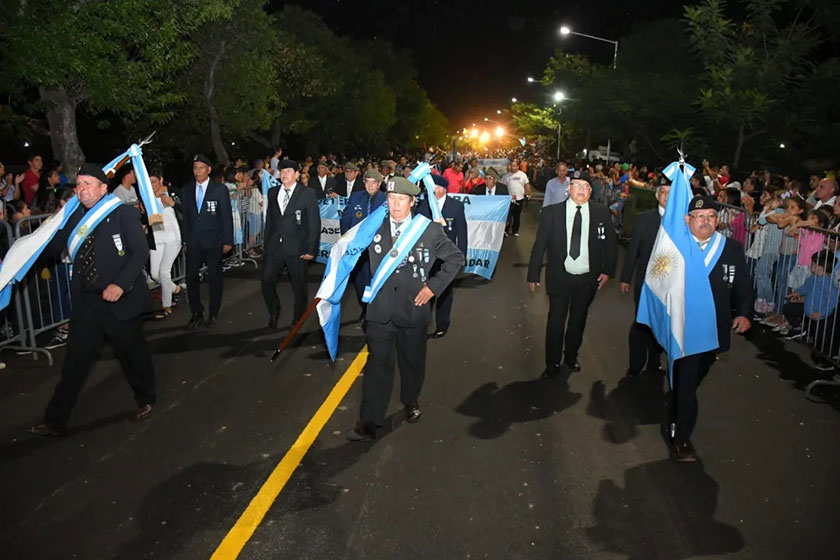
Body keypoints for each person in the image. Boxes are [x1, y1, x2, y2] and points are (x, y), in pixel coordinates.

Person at [30, 164, 156, 436]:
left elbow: (139, 254)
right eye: (78, 184)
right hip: (87, 302)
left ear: (102, 188)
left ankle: (146, 398)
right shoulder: (74, 216)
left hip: (118, 300)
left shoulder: (121, 213)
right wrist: (44, 233)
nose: (81, 189)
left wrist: (120, 285)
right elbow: (52, 248)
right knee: (75, 361)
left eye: (88, 184)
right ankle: (56, 419)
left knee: (132, 355)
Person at [347, 176, 464, 441]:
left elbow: (455, 258)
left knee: (412, 362)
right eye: (391, 199)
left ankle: (411, 400)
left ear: (412, 202)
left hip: (413, 308)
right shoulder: (373, 225)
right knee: (377, 365)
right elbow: (349, 249)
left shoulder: (429, 230)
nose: (396, 205)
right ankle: (369, 421)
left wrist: (433, 288)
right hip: (380, 311)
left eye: (401, 200)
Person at [668, 195, 752, 462]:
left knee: (692, 378)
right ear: (688, 220)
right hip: (681, 326)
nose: (706, 221)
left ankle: (678, 402)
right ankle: (682, 437)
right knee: (687, 382)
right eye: (700, 216)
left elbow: (743, 286)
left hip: (713, 329)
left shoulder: (731, 248)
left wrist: (744, 313)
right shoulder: (674, 247)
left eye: (711, 216)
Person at [527, 177, 618, 376]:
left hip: (587, 279)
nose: (582, 190)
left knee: (578, 320)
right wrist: (533, 274)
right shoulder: (552, 213)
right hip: (559, 276)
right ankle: (552, 363)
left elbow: (610, 244)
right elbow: (540, 245)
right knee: (556, 321)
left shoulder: (600, 212)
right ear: (569, 189)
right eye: (577, 185)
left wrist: (608, 270)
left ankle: (571, 356)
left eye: (587, 187)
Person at [619, 181, 670, 376]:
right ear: (657, 196)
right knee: (641, 322)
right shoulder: (644, 219)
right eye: (663, 192)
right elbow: (633, 251)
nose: (666, 196)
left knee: (661, 322)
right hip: (645, 281)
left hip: (668, 284)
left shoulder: (681, 222)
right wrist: (626, 277)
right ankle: (636, 364)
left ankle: (655, 360)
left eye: (670, 194)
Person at [262, 159, 320, 328]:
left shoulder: (307, 193)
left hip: (297, 248)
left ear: (296, 174)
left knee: (299, 285)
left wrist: (311, 249)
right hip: (275, 247)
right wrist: (267, 245)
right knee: (266, 281)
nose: (285, 174)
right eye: (282, 171)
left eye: (289, 171)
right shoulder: (273, 193)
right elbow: (270, 221)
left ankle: (298, 317)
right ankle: (274, 311)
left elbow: (313, 223)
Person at [181, 154, 233, 329]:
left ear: (209, 170)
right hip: (194, 242)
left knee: (215, 278)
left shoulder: (219, 190)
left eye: (201, 168)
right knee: (191, 277)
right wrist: (185, 240)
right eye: (195, 168)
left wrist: (228, 240)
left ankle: (213, 313)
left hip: (214, 241)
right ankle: (196, 312)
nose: (198, 171)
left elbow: (226, 217)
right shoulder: (187, 190)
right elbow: (186, 218)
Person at [416, 174, 468, 338]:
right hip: (426, 256)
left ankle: (442, 324)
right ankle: (423, 322)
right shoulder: (424, 205)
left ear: (442, 189)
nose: (430, 191)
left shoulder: (456, 206)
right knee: (425, 290)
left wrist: (462, 255)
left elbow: (462, 232)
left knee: (445, 292)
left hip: (447, 256)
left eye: (433, 188)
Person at [340, 168, 387, 318]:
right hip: (358, 250)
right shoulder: (356, 197)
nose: (371, 186)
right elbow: (345, 220)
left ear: (379, 184)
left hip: (377, 250)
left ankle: (373, 310)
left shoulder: (386, 201)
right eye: (368, 182)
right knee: (360, 282)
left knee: (376, 281)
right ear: (364, 182)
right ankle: (365, 307)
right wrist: (347, 240)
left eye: (374, 183)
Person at [148, 170, 182, 320]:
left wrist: (173, 203)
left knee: (164, 272)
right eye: (148, 182)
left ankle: (166, 306)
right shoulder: (146, 196)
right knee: (155, 273)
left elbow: (186, 209)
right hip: (157, 238)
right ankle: (175, 288)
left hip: (173, 237)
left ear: (161, 180)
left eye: (154, 181)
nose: (151, 185)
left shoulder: (172, 192)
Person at [504, 161, 531, 236]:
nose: (513, 167)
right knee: (508, 216)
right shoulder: (506, 176)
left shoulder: (522, 175)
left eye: (514, 166)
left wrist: (529, 193)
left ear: (518, 166)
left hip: (519, 198)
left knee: (517, 215)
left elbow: (526, 184)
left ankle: (515, 230)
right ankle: (506, 230)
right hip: (509, 199)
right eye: (512, 166)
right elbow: (502, 186)